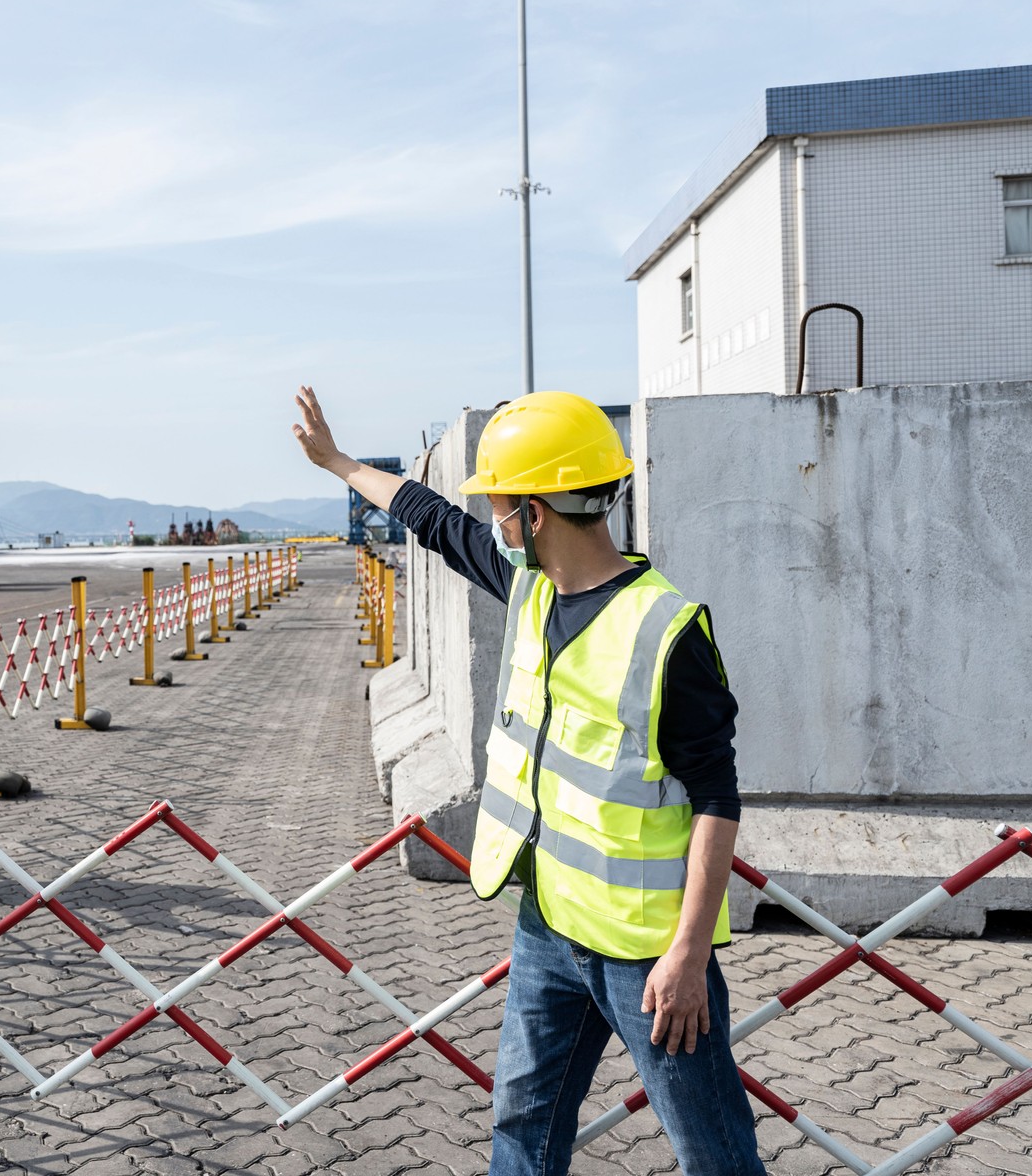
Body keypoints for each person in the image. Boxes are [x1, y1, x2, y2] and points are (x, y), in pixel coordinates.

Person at [292, 387, 764, 1176]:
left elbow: (717, 797)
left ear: (535, 513)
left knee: (713, 1155)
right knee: (521, 1123)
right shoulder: (529, 588)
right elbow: (432, 519)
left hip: (646, 956)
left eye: (503, 505)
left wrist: (686, 954)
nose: (493, 523)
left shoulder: (664, 629)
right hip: (548, 923)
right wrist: (338, 463)